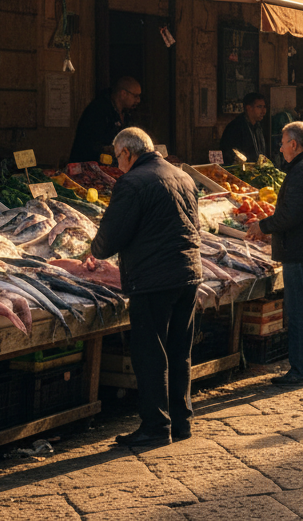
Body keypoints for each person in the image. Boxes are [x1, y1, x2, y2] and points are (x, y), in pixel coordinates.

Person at [89, 127, 201, 448]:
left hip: (152, 278)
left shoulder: (132, 182)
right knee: (180, 350)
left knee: (150, 353)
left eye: (116, 156)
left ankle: (155, 426)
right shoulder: (182, 176)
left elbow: (113, 233)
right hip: (188, 274)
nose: (117, 163)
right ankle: (181, 421)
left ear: (127, 153)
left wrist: (94, 252)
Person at [250, 122, 303, 387]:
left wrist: (263, 226)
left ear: (294, 144)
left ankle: (302, 370)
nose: (281, 147)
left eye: (283, 142)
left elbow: (291, 215)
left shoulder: (301, 171)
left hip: (300, 249)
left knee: (299, 311)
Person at [70, 76, 141, 163]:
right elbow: (92, 145)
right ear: (123, 94)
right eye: (136, 96)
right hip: (90, 165)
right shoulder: (98, 110)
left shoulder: (127, 113)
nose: (138, 100)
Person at [220, 92, 268, 163]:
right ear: (249, 108)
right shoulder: (235, 127)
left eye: (264, 107)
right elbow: (230, 154)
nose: (264, 111)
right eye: (259, 107)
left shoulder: (258, 127)